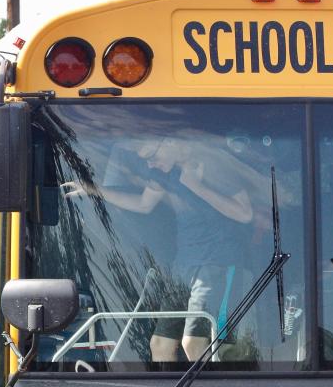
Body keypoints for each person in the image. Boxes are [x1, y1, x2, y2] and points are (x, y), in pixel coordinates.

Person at [69, 134, 258, 363]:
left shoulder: (213, 165)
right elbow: (143, 204)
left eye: (151, 156)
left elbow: (245, 214)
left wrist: (196, 186)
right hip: (182, 267)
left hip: (216, 263)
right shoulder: (163, 173)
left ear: (171, 142)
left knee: (193, 342)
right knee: (159, 343)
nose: (150, 164)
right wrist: (93, 190)